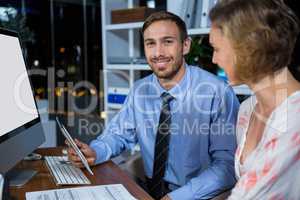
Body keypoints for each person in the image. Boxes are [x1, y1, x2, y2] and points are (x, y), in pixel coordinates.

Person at [68, 11, 239, 200]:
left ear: (185, 45)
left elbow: (226, 168)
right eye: (150, 43)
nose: (158, 53)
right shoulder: (139, 91)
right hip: (149, 190)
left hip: (195, 195)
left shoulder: (217, 93)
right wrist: (95, 152)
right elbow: (118, 135)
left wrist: (176, 198)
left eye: (167, 41)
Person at [209, 0, 300, 199]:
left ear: (248, 49)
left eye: (217, 49)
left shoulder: (295, 120)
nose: (214, 60)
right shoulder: (247, 109)